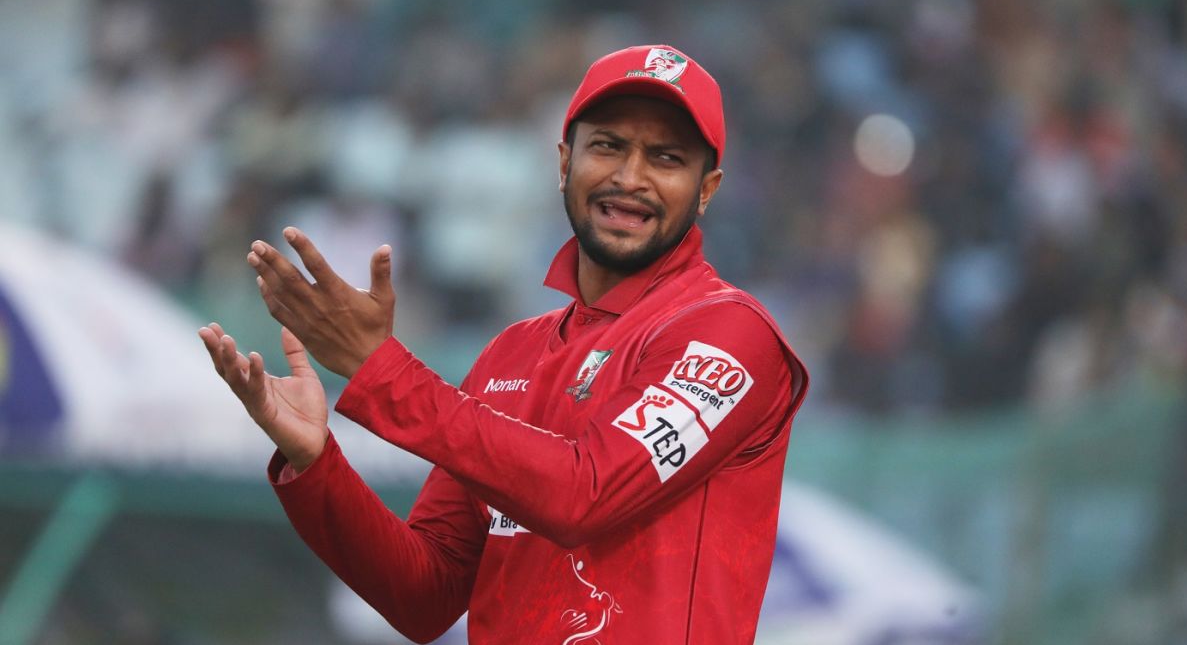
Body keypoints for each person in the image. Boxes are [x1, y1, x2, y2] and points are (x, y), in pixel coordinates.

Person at [199, 44, 808, 645]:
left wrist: (377, 371)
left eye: (667, 157)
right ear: (564, 162)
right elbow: (424, 595)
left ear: (707, 190)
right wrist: (317, 465)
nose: (630, 177)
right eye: (608, 146)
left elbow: (582, 495)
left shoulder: (731, 333)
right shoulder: (511, 354)